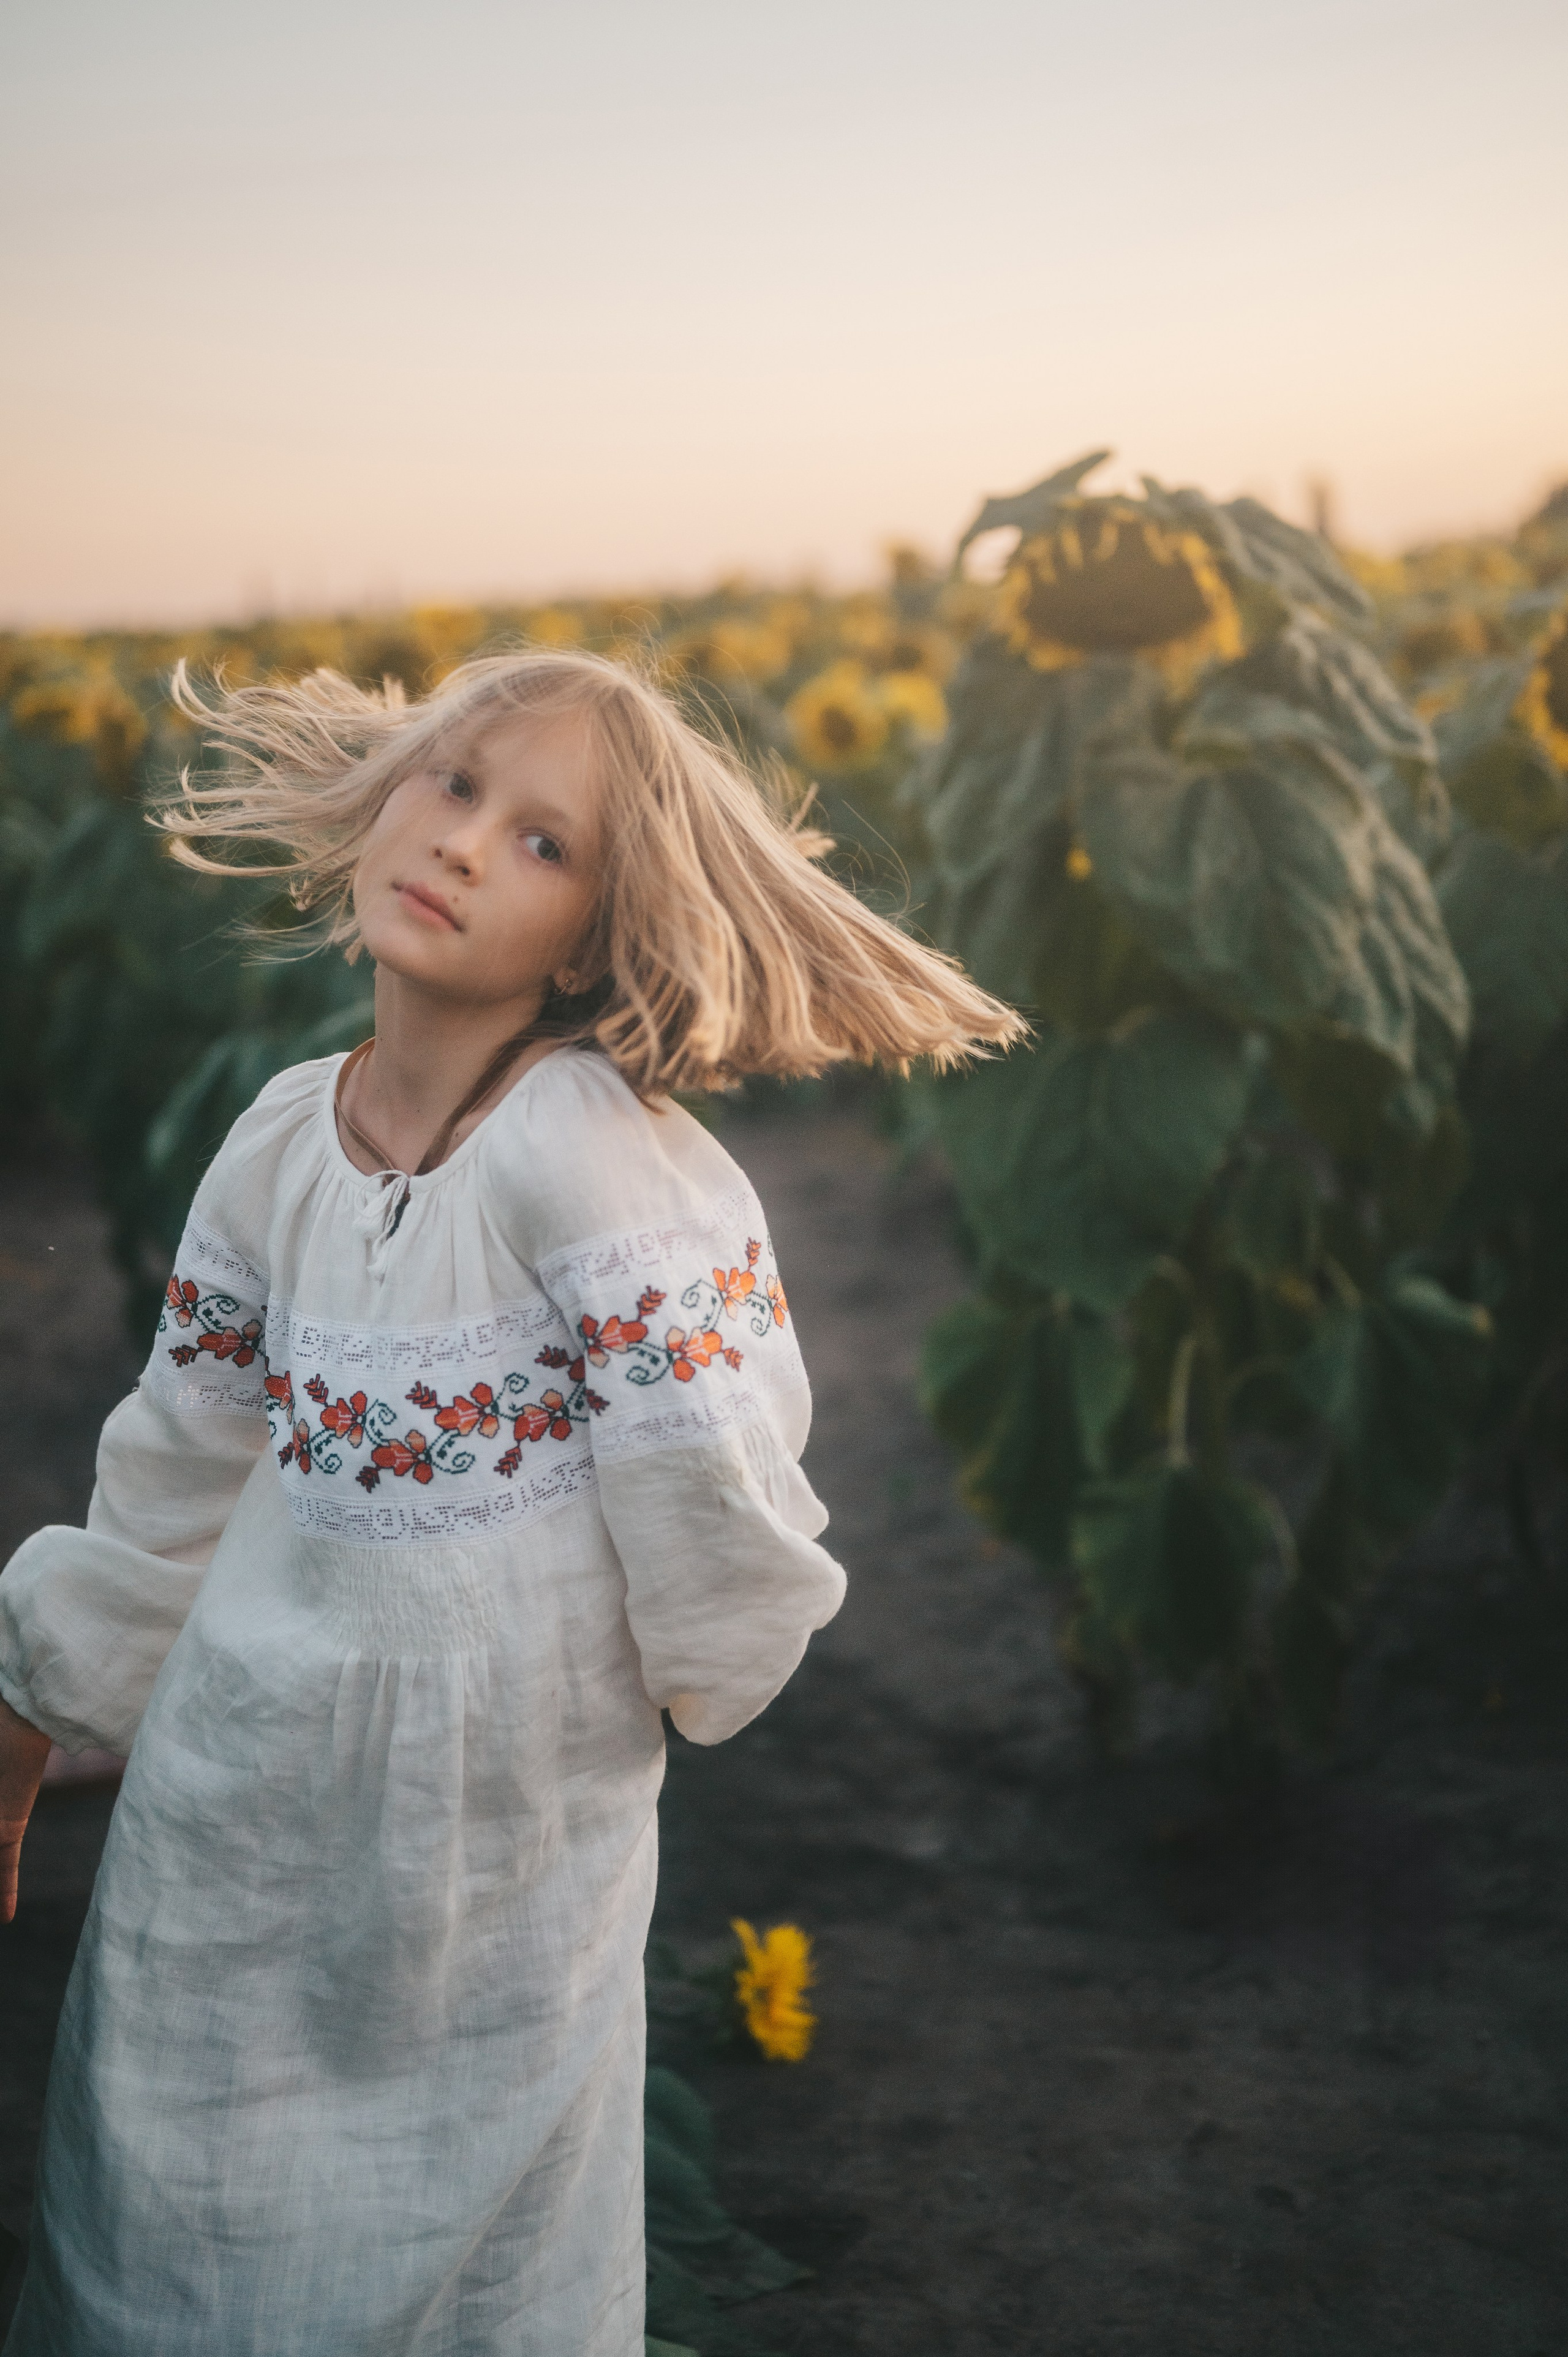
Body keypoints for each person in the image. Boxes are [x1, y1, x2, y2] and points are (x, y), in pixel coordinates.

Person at [0, 648, 1020, 2355]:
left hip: (494, 1825)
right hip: (236, 1792)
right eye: (456, 783)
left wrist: (695, 1671)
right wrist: (40, 1700)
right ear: (385, 791)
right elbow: (177, 1453)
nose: (467, 843)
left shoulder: (586, 1151)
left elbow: (712, 1448)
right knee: (182, 2182)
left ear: (598, 933)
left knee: (477, 2223)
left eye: (546, 845)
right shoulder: (274, 1139)